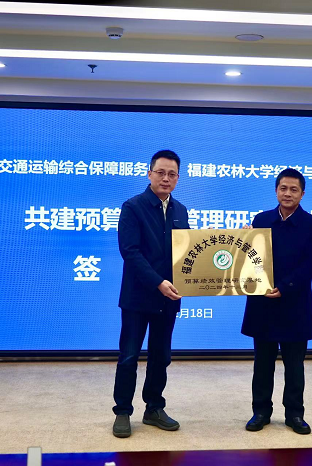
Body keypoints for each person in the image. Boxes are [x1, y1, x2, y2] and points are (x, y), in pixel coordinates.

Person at [241, 168, 312, 435]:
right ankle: (260, 412)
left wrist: (286, 287)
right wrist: (242, 241)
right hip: (263, 303)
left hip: (294, 303)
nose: (287, 193)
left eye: (293, 189)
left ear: (302, 193)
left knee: (294, 365)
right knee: (262, 364)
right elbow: (250, 260)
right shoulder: (261, 220)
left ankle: (295, 414)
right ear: (276, 190)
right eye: (283, 188)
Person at [112, 149, 190, 438]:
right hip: (138, 297)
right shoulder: (133, 207)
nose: (166, 178)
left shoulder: (181, 211)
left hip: (168, 298)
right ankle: (122, 411)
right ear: (149, 174)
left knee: (161, 356)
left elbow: (188, 252)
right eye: (161, 172)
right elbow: (130, 252)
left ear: (178, 178)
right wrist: (158, 282)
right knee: (129, 356)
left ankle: (154, 408)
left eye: (172, 174)